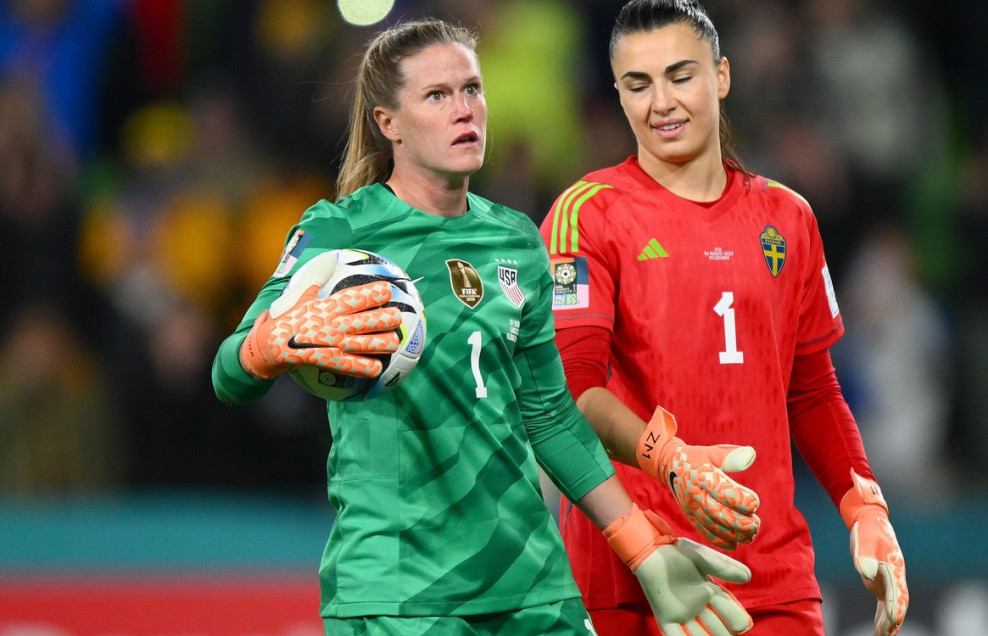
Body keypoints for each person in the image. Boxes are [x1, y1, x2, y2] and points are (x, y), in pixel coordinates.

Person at [213, 17, 757, 636]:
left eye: (472, 89)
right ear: (387, 123)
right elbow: (228, 375)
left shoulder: (516, 239)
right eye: (437, 96)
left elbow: (550, 418)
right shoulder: (342, 235)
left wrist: (642, 545)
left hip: (531, 587)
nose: (464, 110)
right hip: (400, 592)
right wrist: (266, 345)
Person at [538, 1, 909, 635]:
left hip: (774, 582)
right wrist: (670, 461)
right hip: (636, 578)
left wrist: (863, 505)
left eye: (680, 76)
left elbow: (812, 388)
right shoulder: (587, 214)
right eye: (637, 84)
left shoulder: (788, 218)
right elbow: (572, 393)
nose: (661, 103)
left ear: (722, 76)